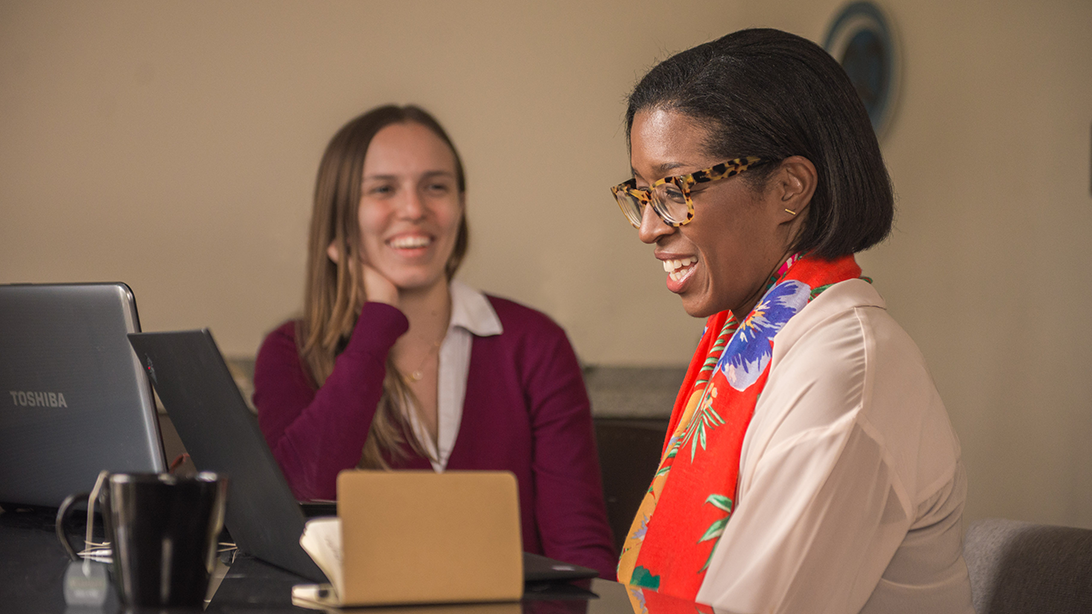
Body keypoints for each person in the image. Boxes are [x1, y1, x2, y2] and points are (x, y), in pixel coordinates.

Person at [610, 29, 974, 613]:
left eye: (674, 189)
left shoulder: (845, 370)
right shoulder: (749, 343)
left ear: (789, 188)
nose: (650, 227)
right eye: (641, 194)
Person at [252, 105, 616, 578]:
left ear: (460, 206)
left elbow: (580, 550)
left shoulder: (535, 343)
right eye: (383, 189)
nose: (414, 209)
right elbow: (298, 503)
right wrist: (377, 324)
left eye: (436, 186)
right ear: (340, 216)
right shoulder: (290, 353)